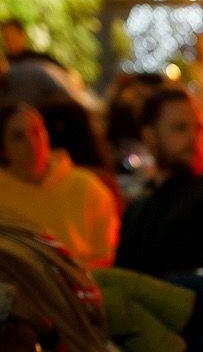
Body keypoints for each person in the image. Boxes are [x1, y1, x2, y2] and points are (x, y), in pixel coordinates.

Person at [116, 86, 203, 276]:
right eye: (180, 128)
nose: (193, 138)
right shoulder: (138, 211)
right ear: (149, 136)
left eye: (198, 128)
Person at [0, 102, 118, 269]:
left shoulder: (86, 186)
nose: (32, 142)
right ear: (4, 149)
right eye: (18, 137)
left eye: (36, 131)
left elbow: (106, 254)